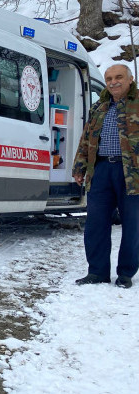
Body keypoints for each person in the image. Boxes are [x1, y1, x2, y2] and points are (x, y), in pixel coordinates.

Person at [72, 63, 138, 289]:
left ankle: (126, 274)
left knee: (132, 224)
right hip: (100, 170)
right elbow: (86, 139)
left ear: (130, 80)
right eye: (109, 78)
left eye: (118, 77)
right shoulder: (100, 106)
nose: (113, 82)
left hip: (132, 174)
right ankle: (98, 272)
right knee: (96, 223)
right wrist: (79, 167)